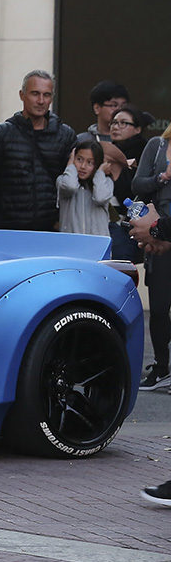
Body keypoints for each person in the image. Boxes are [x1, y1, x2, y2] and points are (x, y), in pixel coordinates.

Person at [0, 70, 77, 232]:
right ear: (22, 95)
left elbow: (73, 184)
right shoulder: (0, 134)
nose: (41, 101)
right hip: (8, 229)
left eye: (47, 95)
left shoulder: (65, 135)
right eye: (35, 94)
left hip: (52, 230)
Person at [130, 124, 171, 391]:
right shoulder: (157, 146)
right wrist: (163, 177)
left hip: (162, 231)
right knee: (158, 307)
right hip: (159, 240)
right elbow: (137, 184)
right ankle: (162, 368)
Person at [109, 104, 152, 261]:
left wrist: (114, 171)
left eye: (123, 123)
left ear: (138, 129)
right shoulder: (107, 150)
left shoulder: (144, 153)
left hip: (127, 227)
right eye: (113, 122)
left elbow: (132, 192)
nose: (116, 127)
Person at [56, 140, 114, 237]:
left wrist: (99, 173)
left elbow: (100, 197)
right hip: (70, 244)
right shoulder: (63, 181)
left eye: (90, 163)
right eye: (79, 159)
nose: (83, 166)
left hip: (97, 245)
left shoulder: (106, 182)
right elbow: (70, 186)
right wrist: (70, 164)